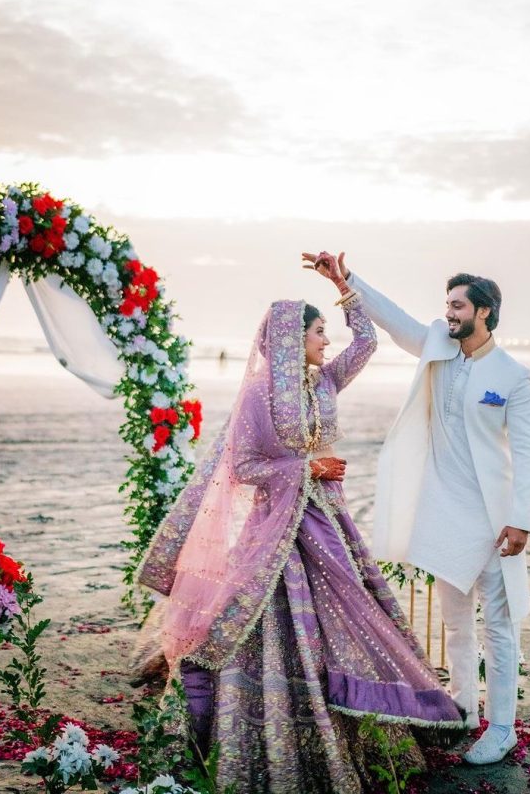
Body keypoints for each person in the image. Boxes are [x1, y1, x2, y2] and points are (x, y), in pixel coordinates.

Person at [137, 258, 465, 794]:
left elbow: (367, 344)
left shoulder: (326, 381)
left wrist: (343, 288)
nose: (326, 343)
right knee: (267, 624)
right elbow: (244, 468)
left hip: (327, 518)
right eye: (319, 333)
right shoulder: (258, 398)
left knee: (353, 606)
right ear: (293, 338)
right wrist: (305, 467)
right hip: (278, 529)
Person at [302, 251, 530, 766]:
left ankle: (501, 729)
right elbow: (392, 318)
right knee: (457, 621)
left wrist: (522, 518)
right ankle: (462, 707)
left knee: (500, 625)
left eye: (458, 306)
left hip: (495, 518)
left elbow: (527, 453)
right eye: (447, 305)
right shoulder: (436, 343)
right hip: (444, 510)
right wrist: (345, 279)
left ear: (485, 313)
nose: (449, 313)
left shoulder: (513, 376)